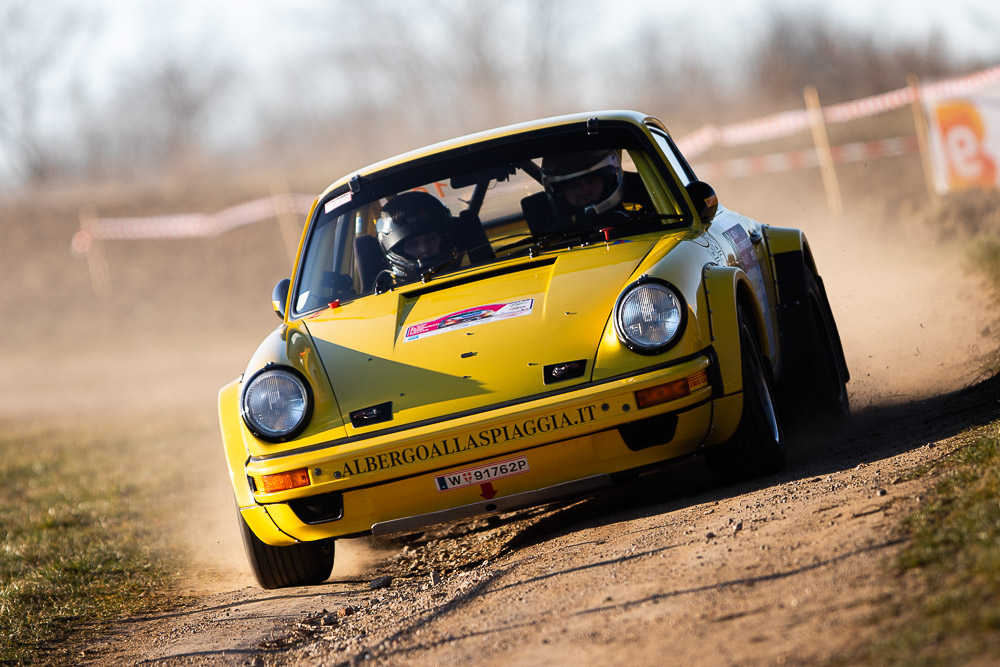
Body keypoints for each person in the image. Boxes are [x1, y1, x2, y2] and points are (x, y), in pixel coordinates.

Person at [375, 191, 459, 282]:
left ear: (444, 239)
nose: (425, 249)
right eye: (413, 245)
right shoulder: (385, 288)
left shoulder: (469, 265)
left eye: (430, 239)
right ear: (398, 252)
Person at [540, 149, 626, 220]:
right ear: (560, 194)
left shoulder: (631, 220)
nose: (584, 191)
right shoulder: (556, 232)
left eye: (591, 181)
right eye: (573, 186)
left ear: (608, 180)